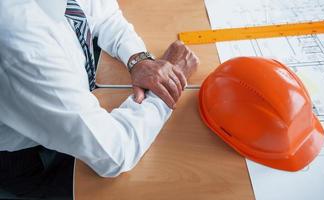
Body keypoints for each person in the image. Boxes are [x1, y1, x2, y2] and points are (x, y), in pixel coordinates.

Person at [0, 0, 199, 199]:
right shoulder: (22, 45)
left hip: (70, 103)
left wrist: (139, 59)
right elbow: (113, 153)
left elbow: (103, 11)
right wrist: (167, 87)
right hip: (34, 158)